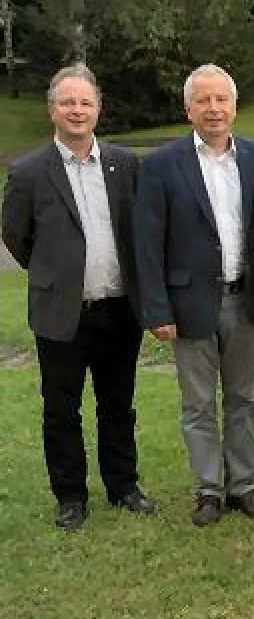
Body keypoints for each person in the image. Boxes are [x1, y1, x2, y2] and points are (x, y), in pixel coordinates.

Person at [2, 64, 157, 530]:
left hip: (118, 308)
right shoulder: (28, 172)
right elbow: (15, 236)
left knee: (118, 403)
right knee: (61, 408)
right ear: (53, 110)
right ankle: (71, 496)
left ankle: (123, 485)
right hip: (61, 311)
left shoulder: (124, 165)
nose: (77, 110)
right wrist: (54, 274)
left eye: (85, 102)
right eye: (68, 102)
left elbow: (138, 233)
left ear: (98, 109)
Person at [134, 63, 254, 527]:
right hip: (188, 304)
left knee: (243, 398)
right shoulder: (160, 164)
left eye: (222, 100)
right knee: (197, 404)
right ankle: (209, 489)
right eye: (204, 100)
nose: (213, 109)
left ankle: (244, 486)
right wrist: (156, 308)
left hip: (243, 298)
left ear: (234, 106)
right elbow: (147, 244)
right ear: (188, 107)